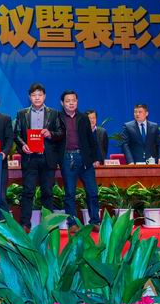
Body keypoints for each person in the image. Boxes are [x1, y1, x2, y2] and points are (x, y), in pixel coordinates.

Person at [13, 82, 63, 231]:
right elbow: (16, 134)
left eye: (39, 95)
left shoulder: (54, 113)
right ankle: (25, 224)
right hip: (30, 158)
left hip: (47, 158)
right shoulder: (22, 113)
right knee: (28, 192)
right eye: (34, 95)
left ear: (44, 96)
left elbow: (61, 133)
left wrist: (50, 134)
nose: (37, 98)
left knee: (47, 192)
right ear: (29, 97)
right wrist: (23, 145)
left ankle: (48, 225)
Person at [58, 91, 101, 233]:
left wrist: (96, 158)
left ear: (77, 102)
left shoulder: (83, 118)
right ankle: (72, 224)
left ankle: (95, 222)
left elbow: (91, 139)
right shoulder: (57, 118)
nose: (71, 103)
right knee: (70, 193)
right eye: (68, 101)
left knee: (92, 191)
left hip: (85, 159)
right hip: (67, 158)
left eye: (73, 100)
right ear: (62, 103)